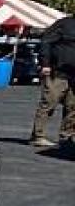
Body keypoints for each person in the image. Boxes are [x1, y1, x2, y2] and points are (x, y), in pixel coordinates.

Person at [31, 13, 75, 151]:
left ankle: (66, 136)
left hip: (74, 75)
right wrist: (45, 63)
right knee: (49, 103)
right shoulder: (64, 24)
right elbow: (46, 41)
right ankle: (38, 136)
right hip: (58, 72)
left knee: (72, 107)